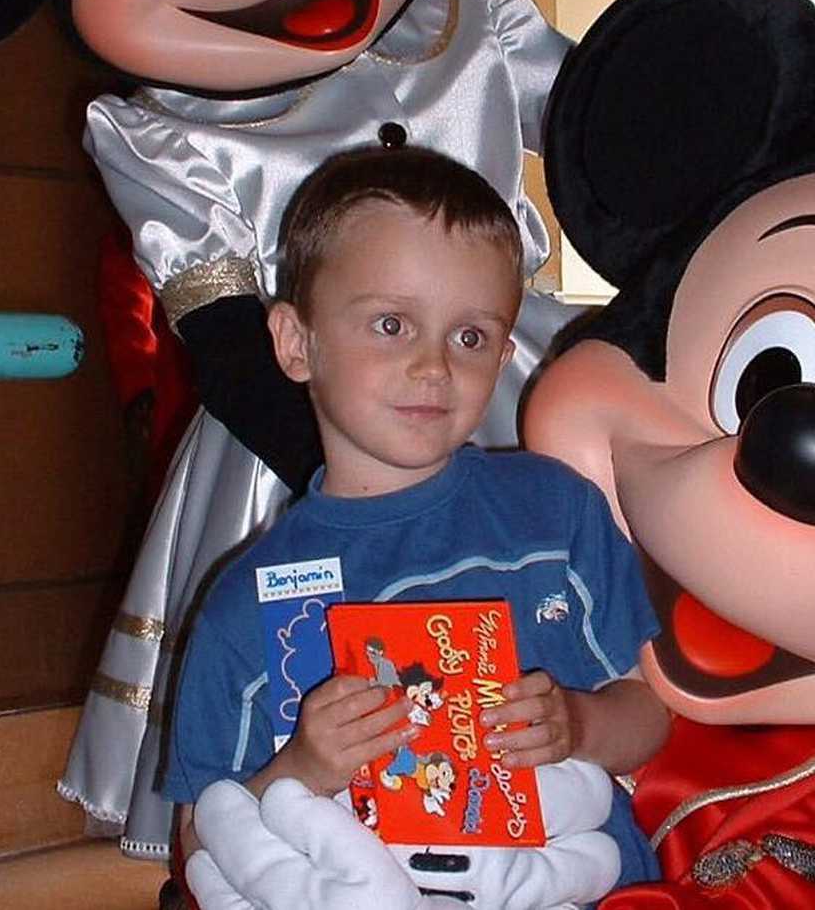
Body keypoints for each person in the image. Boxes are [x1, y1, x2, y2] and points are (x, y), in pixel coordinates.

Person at [163, 144, 670, 901]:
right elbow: (200, 840)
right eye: (392, 325)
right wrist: (302, 768)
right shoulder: (249, 603)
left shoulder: (556, 513)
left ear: (503, 355)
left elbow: (650, 715)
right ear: (297, 344)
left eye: (470, 337)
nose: (435, 367)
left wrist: (581, 723)